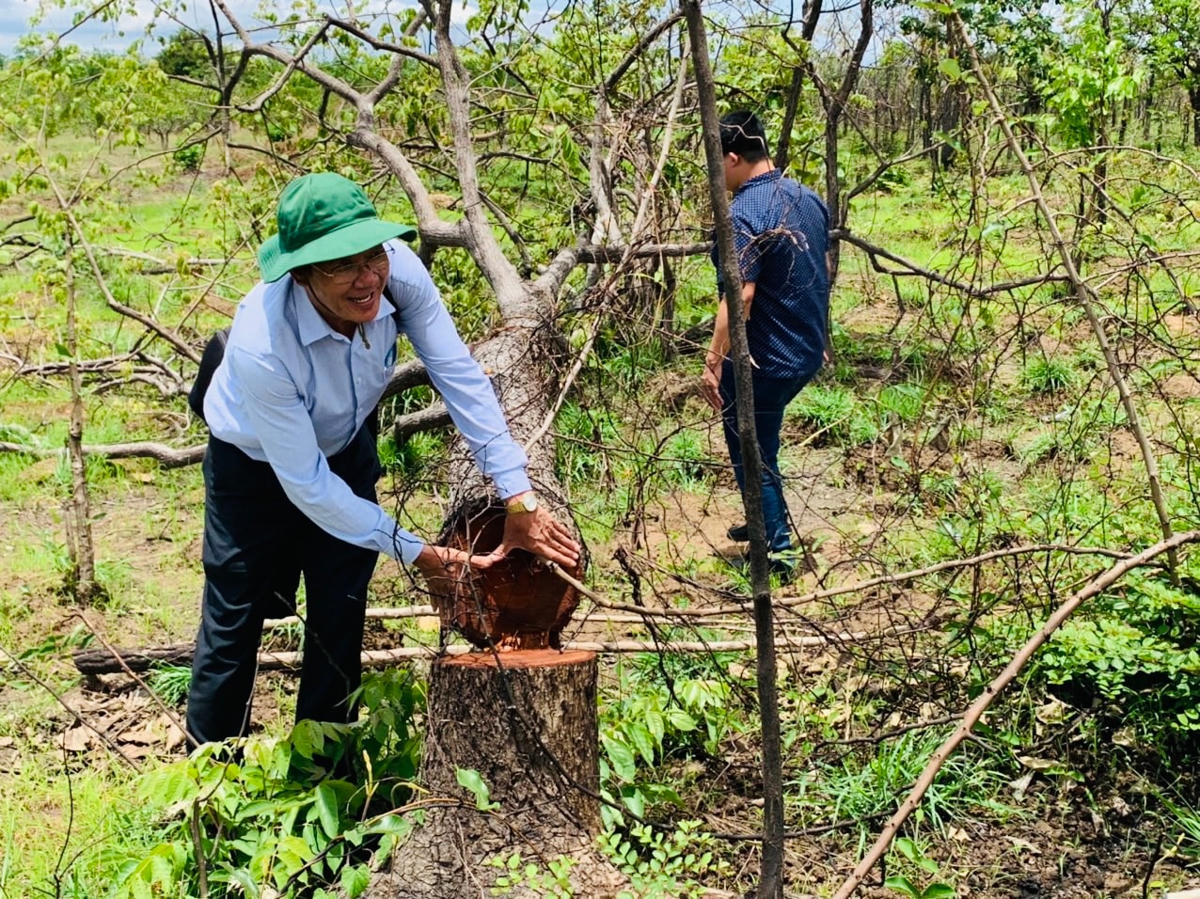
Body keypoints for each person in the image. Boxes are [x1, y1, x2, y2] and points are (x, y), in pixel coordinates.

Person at [186, 172, 580, 745]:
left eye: (373, 257)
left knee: (340, 607)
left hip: (345, 444)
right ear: (300, 273)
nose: (367, 279)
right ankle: (215, 790)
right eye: (343, 266)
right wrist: (416, 551)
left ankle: (327, 774)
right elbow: (308, 486)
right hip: (255, 465)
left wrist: (517, 495)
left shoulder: (399, 274)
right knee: (235, 619)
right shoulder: (263, 346)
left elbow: (460, 378)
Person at [700, 110, 830, 579]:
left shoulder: (742, 213)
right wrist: (821, 336)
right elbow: (818, 269)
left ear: (733, 158)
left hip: (766, 359)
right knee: (761, 442)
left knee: (750, 448)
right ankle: (764, 520)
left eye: (717, 163)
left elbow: (742, 294)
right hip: (805, 351)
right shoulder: (807, 198)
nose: (715, 174)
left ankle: (777, 550)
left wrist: (713, 360)